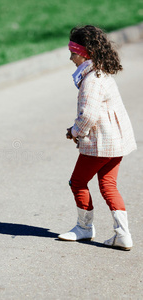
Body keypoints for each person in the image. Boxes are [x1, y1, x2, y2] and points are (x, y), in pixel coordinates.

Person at [58, 25, 137, 250]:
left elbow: (88, 115)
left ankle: (84, 228)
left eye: (73, 52)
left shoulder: (91, 79)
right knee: (108, 184)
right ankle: (123, 235)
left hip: (101, 144)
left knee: (78, 181)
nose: (70, 57)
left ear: (85, 53)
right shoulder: (102, 72)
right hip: (117, 142)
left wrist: (74, 132)